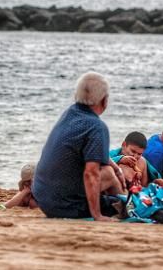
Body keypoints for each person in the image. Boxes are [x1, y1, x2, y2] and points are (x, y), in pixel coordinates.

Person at [32, 72, 126, 221]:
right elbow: (91, 174)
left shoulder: (69, 114)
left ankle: (120, 203)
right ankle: (125, 206)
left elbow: (90, 152)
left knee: (109, 171)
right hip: (67, 206)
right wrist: (97, 215)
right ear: (104, 100)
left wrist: (116, 168)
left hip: (43, 199)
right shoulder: (96, 126)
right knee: (109, 178)